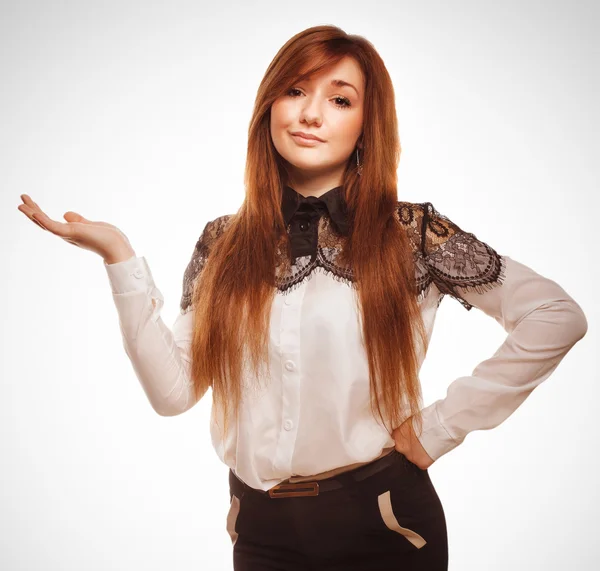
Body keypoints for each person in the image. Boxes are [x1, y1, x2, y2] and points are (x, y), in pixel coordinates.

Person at [17, 24, 588, 571]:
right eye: (294, 91)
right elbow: (173, 393)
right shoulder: (223, 242)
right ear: (269, 106)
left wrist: (441, 426)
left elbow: (554, 316)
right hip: (260, 531)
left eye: (340, 100)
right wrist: (119, 256)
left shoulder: (410, 233)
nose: (311, 113)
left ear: (368, 123)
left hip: (382, 523)